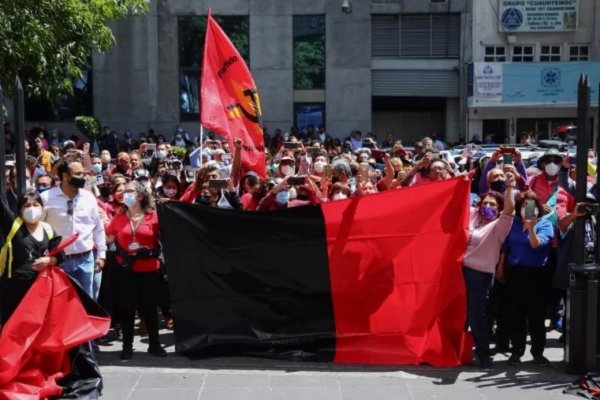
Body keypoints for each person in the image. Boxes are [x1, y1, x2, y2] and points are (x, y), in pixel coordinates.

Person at [105, 181, 167, 359]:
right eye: (124, 192)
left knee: (149, 307)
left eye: (129, 191)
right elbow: (109, 237)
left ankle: (154, 345)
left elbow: (165, 239)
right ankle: (127, 346)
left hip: (149, 268)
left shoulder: (153, 216)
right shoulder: (119, 216)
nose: (125, 194)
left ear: (140, 195)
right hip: (126, 269)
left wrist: (152, 251)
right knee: (127, 308)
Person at [462, 173, 516, 370]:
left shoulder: (499, 226)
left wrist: (510, 187)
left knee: (476, 315)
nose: (489, 207)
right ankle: (456, 351)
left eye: (494, 204)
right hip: (458, 272)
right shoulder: (474, 216)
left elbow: (510, 209)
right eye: (486, 203)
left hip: (479, 276)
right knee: (457, 314)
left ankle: (484, 355)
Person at [500, 191, 554, 366]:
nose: (527, 209)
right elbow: (505, 247)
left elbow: (536, 244)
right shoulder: (514, 224)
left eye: (531, 205)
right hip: (515, 273)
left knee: (536, 316)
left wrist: (531, 228)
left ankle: (537, 353)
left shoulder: (545, 225)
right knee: (516, 314)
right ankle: (517, 351)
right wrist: (501, 268)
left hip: (536, 275)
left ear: (537, 208)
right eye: (524, 205)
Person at [41, 159, 107, 297]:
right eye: (78, 174)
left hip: (86, 260)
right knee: (62, 304)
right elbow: (38, 229)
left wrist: (101, 254)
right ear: (65, 176)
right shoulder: (46, 198)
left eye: (83, 173)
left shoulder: (88, 197)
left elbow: (98, 227)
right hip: (59, 261)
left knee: (87, 303)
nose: (83, 177)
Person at [0, 190, 61, 325]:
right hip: (15, 290)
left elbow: (60, 256)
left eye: (36, 204)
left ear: (42, 208)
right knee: (13, 327)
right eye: (27, 205)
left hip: (40, 291)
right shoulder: (13, 225)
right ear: (20, 210)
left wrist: (49, 260)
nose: (32, 208)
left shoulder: (48, 229)